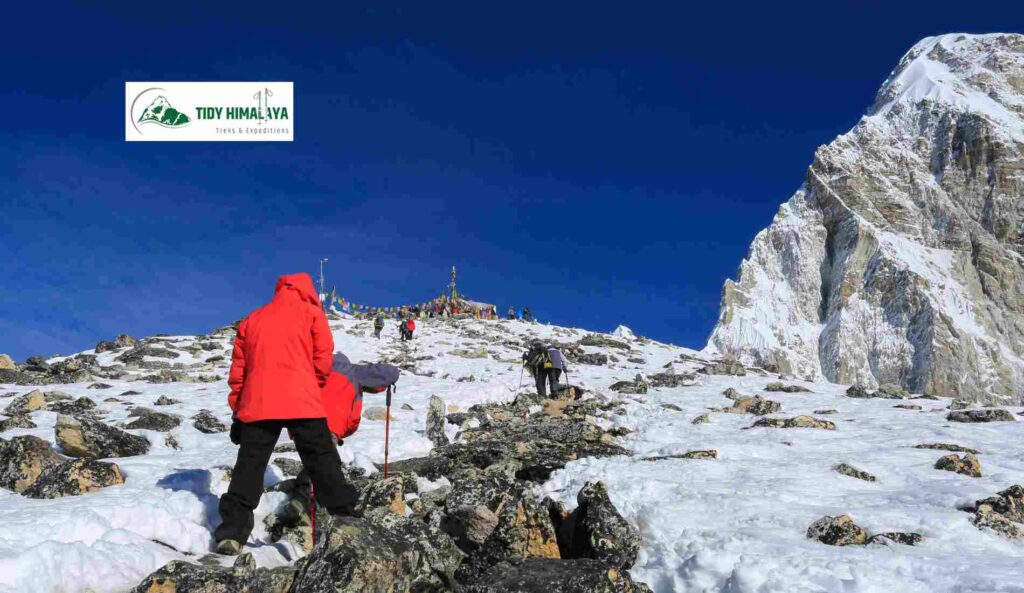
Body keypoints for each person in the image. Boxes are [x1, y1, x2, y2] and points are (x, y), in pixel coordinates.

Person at [215, 273, 358, 555]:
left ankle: (232, 533)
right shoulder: (312, 313)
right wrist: (308, 384)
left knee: (249, 466)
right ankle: (346, 516)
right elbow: (323, 359)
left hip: (258, 402)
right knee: (321, 460)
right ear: (306, 290)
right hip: (301, 398)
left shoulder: (253, 319)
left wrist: (238, 410)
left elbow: (238, 374)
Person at [282, 353, 400, 524]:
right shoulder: (352, 371)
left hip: (302, 421)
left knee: (318, 460)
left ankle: (305, 498)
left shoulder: (312, 368)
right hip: (327, 426)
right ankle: (312, 500)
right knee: (324, 463)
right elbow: (389, 373)